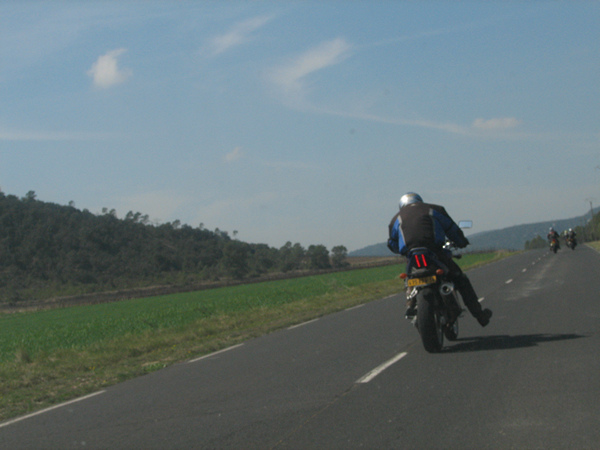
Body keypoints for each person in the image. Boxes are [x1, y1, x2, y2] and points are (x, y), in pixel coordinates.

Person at [387, 192, 492, 327]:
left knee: (409, 281)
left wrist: (403, 251)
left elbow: (392, 244)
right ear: (419, 201)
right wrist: (461, 241)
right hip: (435, 252)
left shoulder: (395, 219)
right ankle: (480, 315)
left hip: (412, 257)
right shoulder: (434, 209)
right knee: (460, 279)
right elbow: (451, 228)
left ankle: (410, 303)